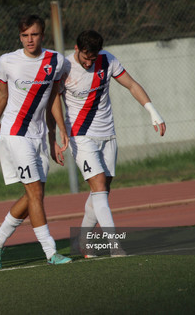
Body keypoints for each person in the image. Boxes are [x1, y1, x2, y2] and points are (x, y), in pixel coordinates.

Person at [60, 30, 166, 257]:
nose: (89, 63)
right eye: (85, 58)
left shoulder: (107, 60)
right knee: (98, 186)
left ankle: (83, 239)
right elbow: (50, 100)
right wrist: (54, 131)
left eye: (93, 58)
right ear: (77, 49)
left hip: (108, 134)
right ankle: (114, 244)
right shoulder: (65, 67)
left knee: (102, 190)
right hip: (80, 135)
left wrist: (152, 111)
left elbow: (132, 85)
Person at [0, 15, 72, 269]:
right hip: (15, 133)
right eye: (25, 35)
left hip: (39, 135)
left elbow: (53, 97)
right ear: (19, 36)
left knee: (34, 194)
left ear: (42, 35)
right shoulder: (8, 61)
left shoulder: (56, 60)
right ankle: (50, 252)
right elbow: (2, 92)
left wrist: (58, 132)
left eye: (34, 34)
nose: (29, 40)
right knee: (35, 193)